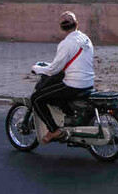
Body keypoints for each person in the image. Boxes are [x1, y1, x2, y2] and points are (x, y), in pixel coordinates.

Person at [31, 10, 95, 143]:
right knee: (56, 94)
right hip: (88, 83)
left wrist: (38, 69)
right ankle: (69, 116)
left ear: (61, 27)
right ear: (77, 24)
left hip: (74, 85)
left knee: (37, 98)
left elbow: (54, 69)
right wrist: (49, 66)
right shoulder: (86, 39)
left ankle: (54, 130)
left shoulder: (66, 44)